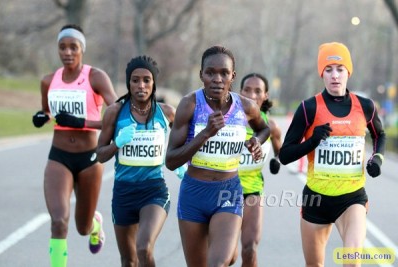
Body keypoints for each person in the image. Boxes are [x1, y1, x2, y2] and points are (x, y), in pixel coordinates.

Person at [279, 42, 386, 267]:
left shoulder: (365, 106)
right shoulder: (308, 108)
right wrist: (313, 141)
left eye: (340, 69)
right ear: (322, 74)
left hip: (352, 198)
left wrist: (377, 158)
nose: (335, 75)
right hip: (316, 199)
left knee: (352, 261)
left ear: (348, 71)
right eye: (328, 70)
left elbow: (380, 135)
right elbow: (285, 155)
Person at [165, 45, 270, 267]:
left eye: (224, 73)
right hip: (194, 193)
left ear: (233, 76)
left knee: (218, 263)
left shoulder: (244, 106)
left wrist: (256, 142)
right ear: (201, 75)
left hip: (228, 192)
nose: (217, 79)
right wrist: (204, 134)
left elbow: (264, 128)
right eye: (210, 73)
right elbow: (171, 160)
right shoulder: (190, 104)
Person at [31, 24, 118, 267]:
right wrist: (41, 116)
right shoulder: (49, 81)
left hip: (90, 159)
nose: (67, 52)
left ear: (82, 50)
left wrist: (82, 122)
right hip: (59, 157)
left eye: (73, 47)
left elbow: (118, 118)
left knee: (82, 227)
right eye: (62, 47)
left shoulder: (95, 77)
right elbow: (48, 111)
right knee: (59, 221)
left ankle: (95, 224)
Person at [96, 55, 178, 267]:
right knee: (129, 260)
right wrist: (117, 144)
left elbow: (184, 143)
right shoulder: (115, 112)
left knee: (144, 247)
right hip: (123, 192)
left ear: (154, 83)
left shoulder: (167, 113)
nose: (141, 85)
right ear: (128, 83)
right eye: (135, 80)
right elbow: (100, 154)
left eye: (146, 80)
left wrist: (185, 164)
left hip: (154, 191)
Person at [238, 73, 282, 267]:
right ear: (240, 92)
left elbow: (280, 153)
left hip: (253, 190)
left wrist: (277, 161)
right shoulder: (228, 119)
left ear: (265, 95)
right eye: (247, 89)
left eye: (257, 91)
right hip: (224, 189)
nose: (251, 94)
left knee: (250, 248)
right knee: (227, 256)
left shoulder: (271, 126)